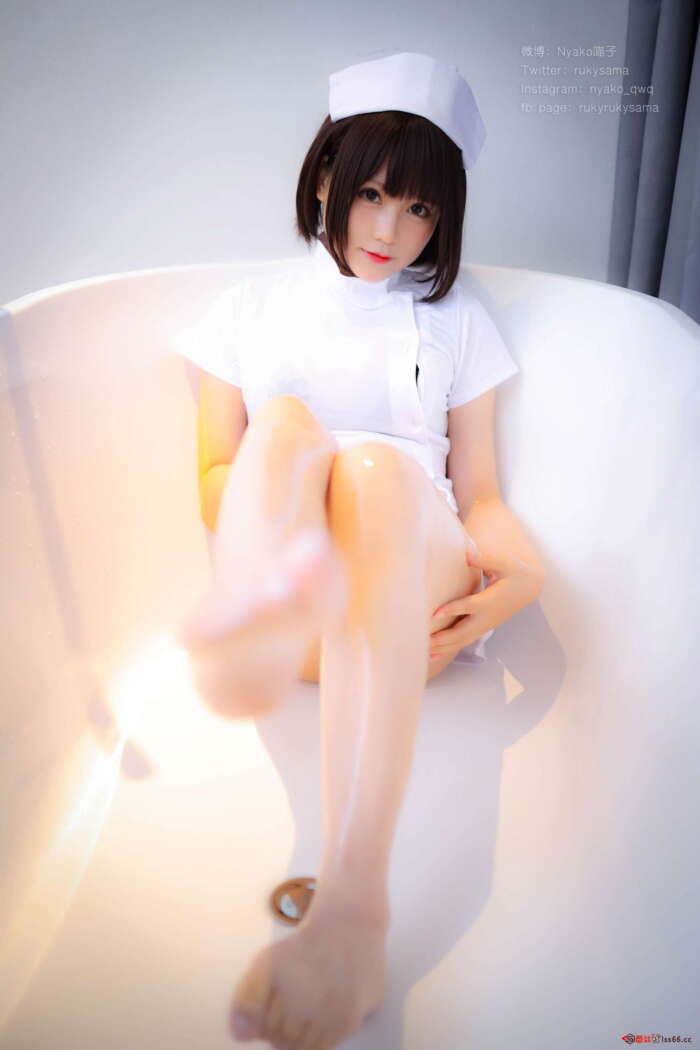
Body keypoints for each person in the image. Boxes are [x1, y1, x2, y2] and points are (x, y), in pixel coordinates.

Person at [174, 51, 546, 1050]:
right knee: (285, 429)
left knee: (375, 473)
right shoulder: (244, 314)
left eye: (419, 209)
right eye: (372, 193)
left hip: (406, 602)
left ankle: (352, 910)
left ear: (442, 219)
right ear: (325, 177)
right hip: (296, 601)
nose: (388, 230)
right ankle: (267, 589)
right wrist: (280, 490)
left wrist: (523, 579)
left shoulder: (456, 318)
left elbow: (481, 496)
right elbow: (212, 475)